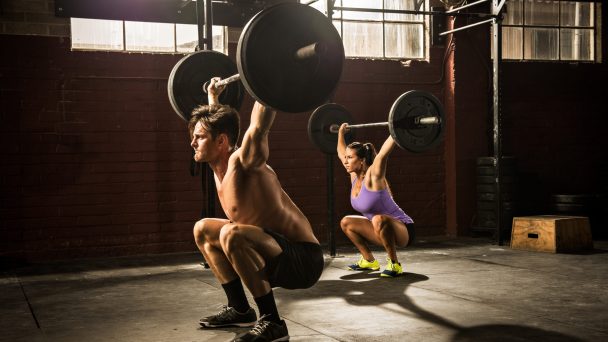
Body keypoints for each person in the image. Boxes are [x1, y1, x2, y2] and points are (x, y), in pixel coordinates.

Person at [189, 78, 323, 341]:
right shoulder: (219, 161)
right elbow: (220, 126)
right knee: (203, 229)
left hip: (302, 260)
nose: (193, 142)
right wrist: (213, 98)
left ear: (221, 142)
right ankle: (240, 309)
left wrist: (268, 75)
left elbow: (259, 127)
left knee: (232, 234)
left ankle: (273, 322)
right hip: (271, 249)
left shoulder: (245, 163)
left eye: (199, 137)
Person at [336, 123, 415, 278]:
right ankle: (369, 261)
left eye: (350, 158)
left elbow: (383, 154)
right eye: (346, 158)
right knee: (346, 222)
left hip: (403, 230)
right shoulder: (354, 176)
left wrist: (396, 128)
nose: (346, 161)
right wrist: (340, 133)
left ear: (362, 161)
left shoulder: (373, 175)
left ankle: (394, 264)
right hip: (378, 227)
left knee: (378, 218)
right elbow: (340, 152)